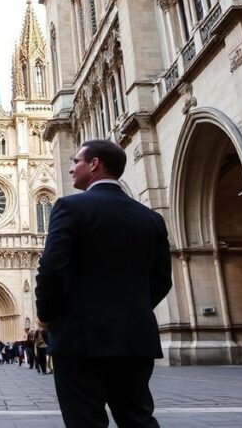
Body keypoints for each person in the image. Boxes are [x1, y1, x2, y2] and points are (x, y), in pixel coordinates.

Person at [36, 140, 172, 428]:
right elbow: (162, 280)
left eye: (76, 161)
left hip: (79, 338)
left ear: (94, 164)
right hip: (134, 337)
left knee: (85, 421)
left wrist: (47, 315)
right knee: (138, 419)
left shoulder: (69, 207)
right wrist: (132, 310)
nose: (71, 168)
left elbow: (50, 268)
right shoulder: (151, 218)